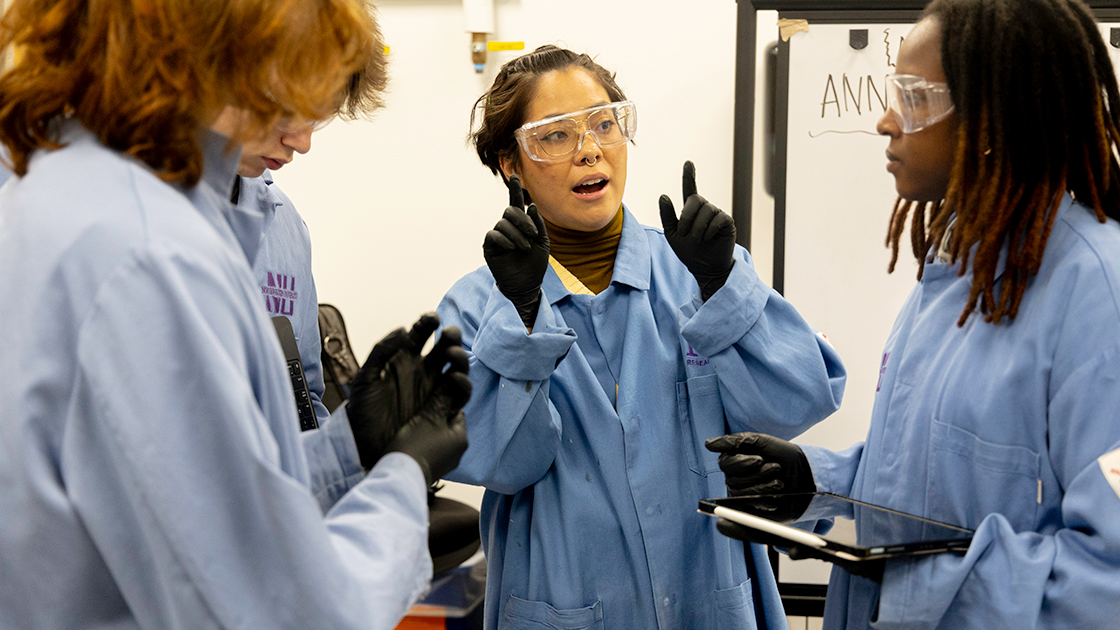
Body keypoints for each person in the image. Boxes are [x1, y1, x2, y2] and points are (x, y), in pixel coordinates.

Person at [0, 0, 469, 628]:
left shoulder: (67, 192)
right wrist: (401, 480)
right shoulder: (151, 254)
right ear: (197, 47)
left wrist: (350, 448)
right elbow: (287, 611)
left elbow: (188, 506)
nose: (302, 140)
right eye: (286, 94)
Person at [708, 0, 1120, 627]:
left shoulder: (1098, 291)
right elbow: (935, 477)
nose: (885, 121)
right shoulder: (958, 268)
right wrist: (817, 481)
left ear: (992, 118)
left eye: (913, 97)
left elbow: (1104, 583)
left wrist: (911, 579)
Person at [436, 45, 846, 630]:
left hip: (711, 601)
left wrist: (724, 284)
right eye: (555, 136)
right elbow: (506, 465)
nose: (590, 150)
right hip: (563, 606)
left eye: (604, 124)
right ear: (511, 162)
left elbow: (798, 403)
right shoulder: (480, 305)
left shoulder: (696, 271)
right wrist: (523, 316)